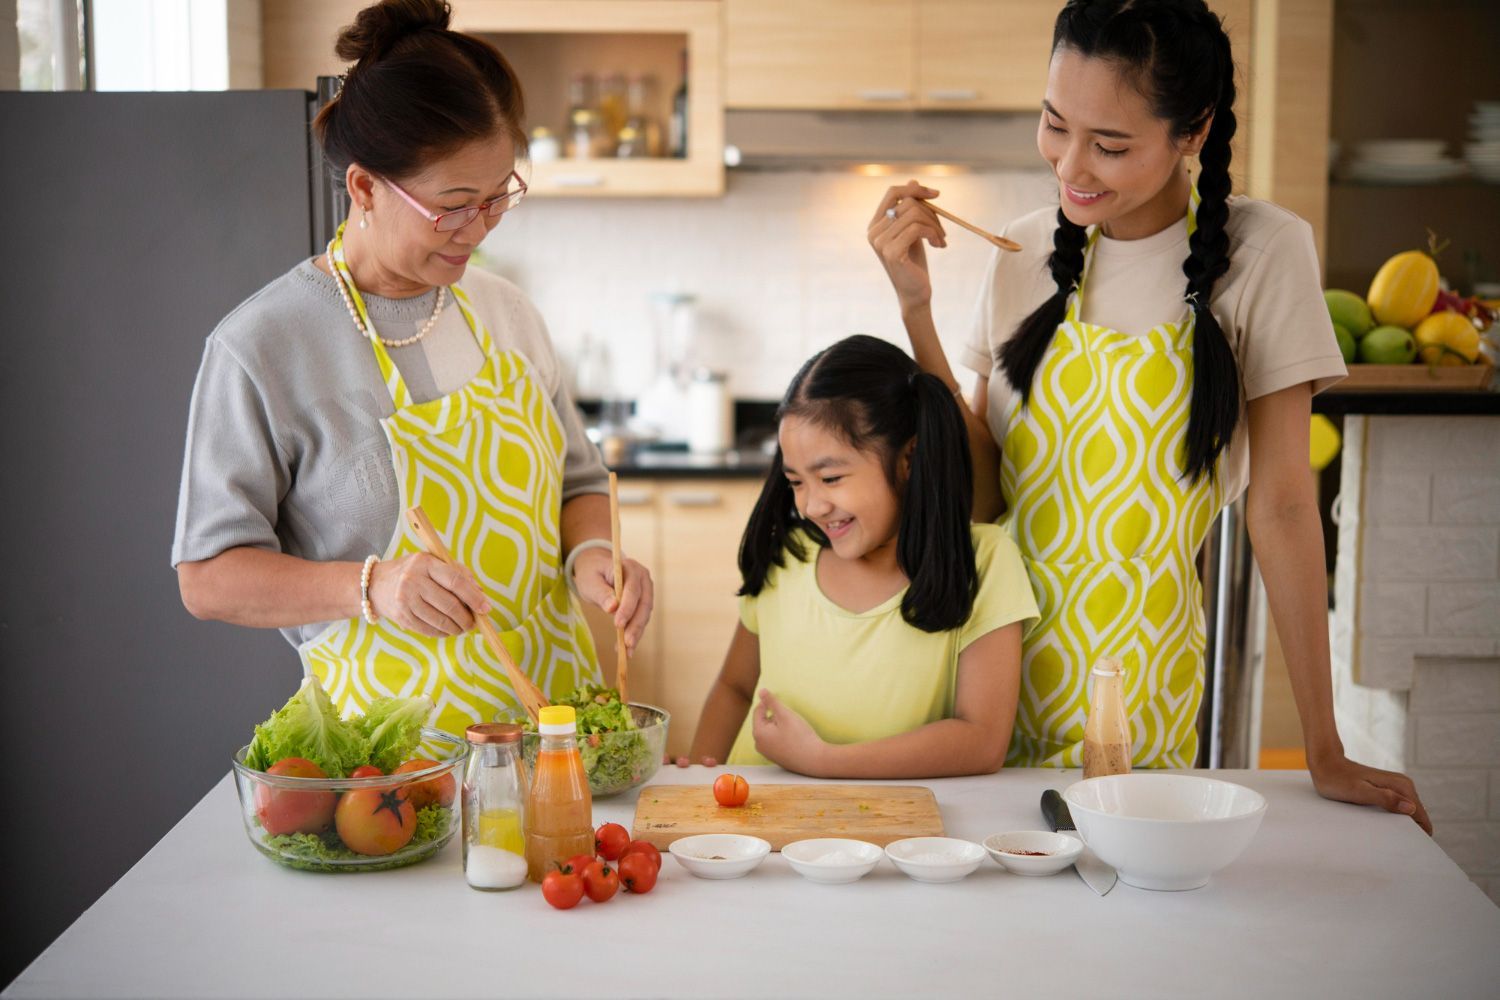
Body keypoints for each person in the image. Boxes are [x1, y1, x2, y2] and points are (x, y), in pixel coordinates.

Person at [868, 0, 1430, 829]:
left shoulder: (1266, 252)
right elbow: (984, 498)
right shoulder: (1021, 253)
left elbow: (1279, 505)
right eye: (1055, 125)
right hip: (981, 683)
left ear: (1194, 130)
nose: (1071, 164)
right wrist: (916, 313)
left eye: (1112, 144)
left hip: (1137, 691)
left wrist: (1324, 745)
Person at [173, 0, 651, 737]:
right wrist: (373, 585)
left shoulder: (507, 313)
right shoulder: (263, 346)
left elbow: (582, 483)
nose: (481, 227)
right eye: (455, 204)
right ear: (364, 188)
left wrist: (594, 555)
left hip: (559, 743)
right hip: (391, 772)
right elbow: (208, 579)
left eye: (500, 197)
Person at [689, 335, 1039, 778]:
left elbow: (982, 740)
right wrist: (697, 780)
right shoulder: (788, 556)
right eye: (796, 481)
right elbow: (735, 687)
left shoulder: (983, 563)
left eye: (831, 478)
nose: (811, 506)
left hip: (889, 831)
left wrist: (823, 761)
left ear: (908, 459)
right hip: (758, 821)